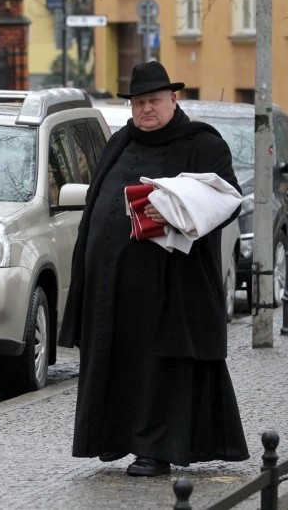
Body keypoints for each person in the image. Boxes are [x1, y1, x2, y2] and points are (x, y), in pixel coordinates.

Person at [58, 61, 250, 477]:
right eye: (139, 102)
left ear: (173, 99)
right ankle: (113, 439)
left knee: (159, 369)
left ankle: (155, 449)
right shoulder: (120, 143)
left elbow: (227, 201)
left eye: (155, 101)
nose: (147, 109)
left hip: (172, 288)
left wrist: (176, 208)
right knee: (118, 363)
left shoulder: (203, 143)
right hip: (114, 289)